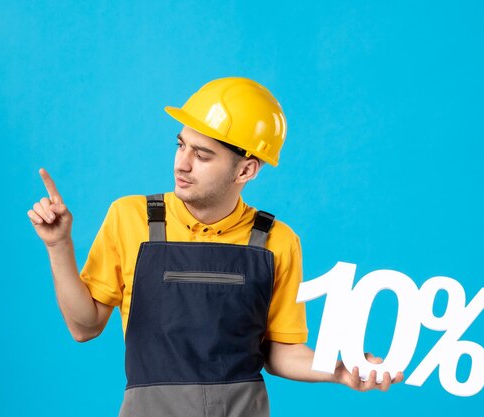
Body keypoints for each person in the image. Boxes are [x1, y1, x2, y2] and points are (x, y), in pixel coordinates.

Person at [27, 77, 403, 417]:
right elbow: (84, 326)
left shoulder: (277, 241)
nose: (182, 164)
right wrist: (59, 244)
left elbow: (281, 352)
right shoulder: (130, 218)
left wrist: (340, 370)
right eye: (181, 145)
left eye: (202, 155)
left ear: (246, 171)